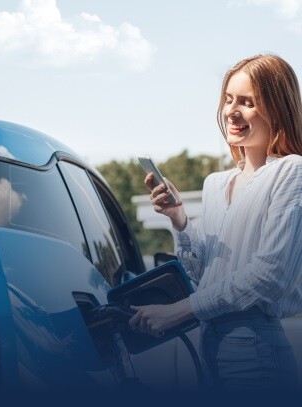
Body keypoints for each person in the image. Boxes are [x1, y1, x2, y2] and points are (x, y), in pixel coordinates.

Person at [128, 54, 302, 391]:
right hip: (211, 346)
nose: (232, 111)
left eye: (247, 102)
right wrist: (179, 220)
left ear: (277, 109)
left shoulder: (291, 172)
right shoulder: (216, 183)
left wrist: (180, 311)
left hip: (254, 351)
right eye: (228, 99)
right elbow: (202, 273)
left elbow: (270, 275)